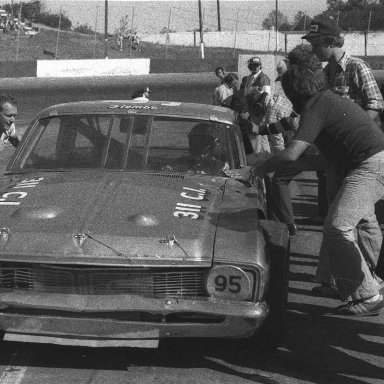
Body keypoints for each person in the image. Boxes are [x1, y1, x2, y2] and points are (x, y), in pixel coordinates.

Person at [227, 64, 384, 315]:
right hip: (370, 162)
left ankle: (367, 294)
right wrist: (273, 161)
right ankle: (373, 283)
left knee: (337, 227)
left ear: (293, 91)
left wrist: (255, 170)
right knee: (364, 224)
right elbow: (321, 160)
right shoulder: (327, 101)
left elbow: (291, 153)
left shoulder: (315, 106)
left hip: (370, 165)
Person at [302, 19, 384, 297]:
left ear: (330, 42)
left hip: (359, 156)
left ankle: (368, 279)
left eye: (315, 43)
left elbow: (374, 104)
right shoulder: (326, 73)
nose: (313, 48)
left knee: (356, 219)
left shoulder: (356, 66)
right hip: (340, 157)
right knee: (340, 217)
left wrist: (350, 131)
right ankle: (331, 280)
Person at [163, 123, 228, 175]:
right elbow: (166, 174)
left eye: (204, 140)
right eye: (196, 140)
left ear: (212, 144)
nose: (199, 144)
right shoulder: (181, 163)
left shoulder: (221, 167)